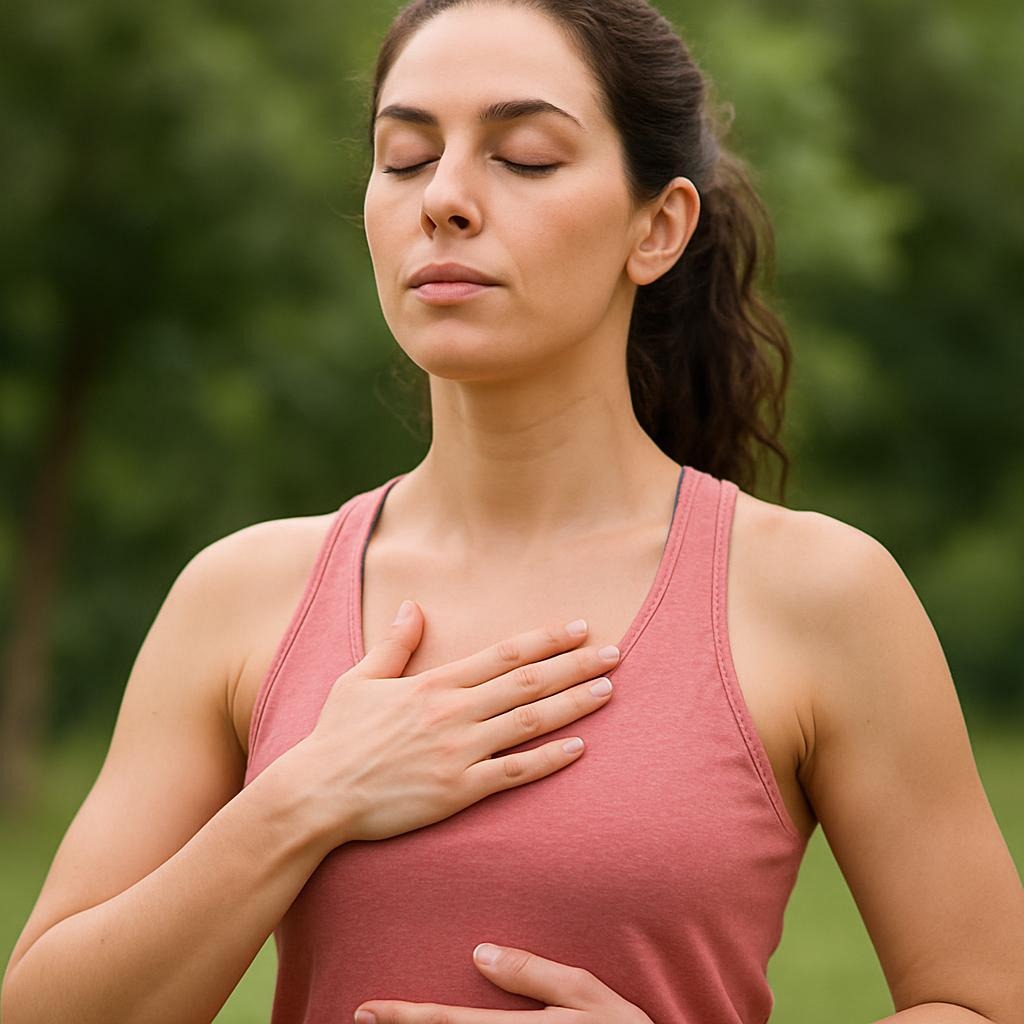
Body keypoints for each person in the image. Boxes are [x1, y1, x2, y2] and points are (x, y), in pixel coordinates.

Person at [3, 1, 1021, 1023]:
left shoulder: (821, 595)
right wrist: (304, 797)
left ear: (657, 226)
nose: (442, 198)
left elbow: (986, 1001)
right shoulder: (238, 594)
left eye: (524, 157)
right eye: (405, 158)